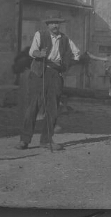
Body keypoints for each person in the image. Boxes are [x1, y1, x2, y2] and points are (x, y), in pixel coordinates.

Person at [15, 10, 81, 151]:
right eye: (52, 23)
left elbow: (76, 54)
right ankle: (24, 140)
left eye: (57, 23)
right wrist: (40, 53)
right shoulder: (40, 34)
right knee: (33, 106)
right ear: (47, 25)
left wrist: (64, 64)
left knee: (53, 108)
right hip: (39, 72)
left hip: (55, 74)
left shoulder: (65, 39)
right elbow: (32, 51)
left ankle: (46, 140)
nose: (55, 25)